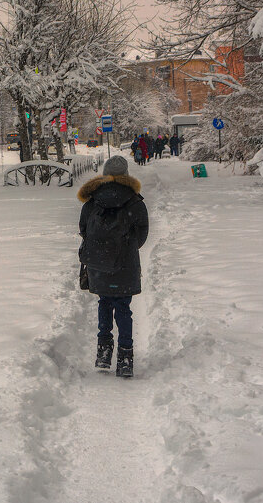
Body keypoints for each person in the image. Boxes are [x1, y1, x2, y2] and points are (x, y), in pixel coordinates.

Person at [77, 155, 149, 378]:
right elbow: (142, 233)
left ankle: (104, 353)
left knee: (105, 303)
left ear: (105, 173)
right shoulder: (135, 201)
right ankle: (125, 358)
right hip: (125, 264)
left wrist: (103, 250)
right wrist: (125, 248)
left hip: (99, 264)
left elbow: (83, 230)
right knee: (124, 309)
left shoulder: (92, 201)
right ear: (126, 174)